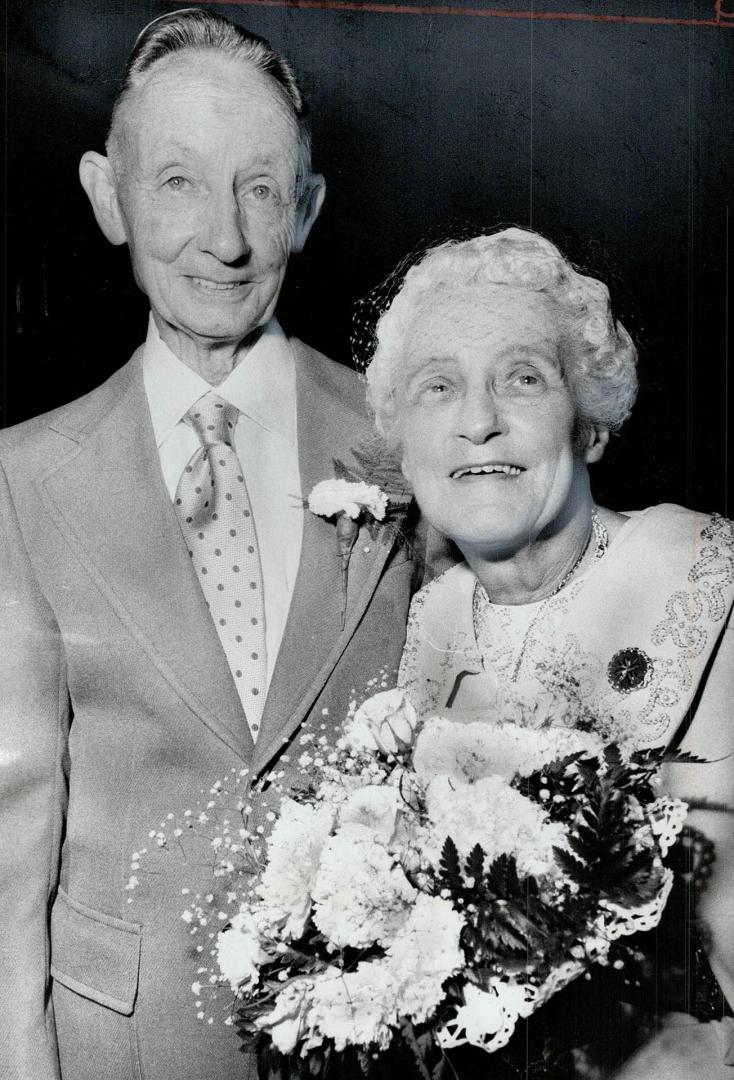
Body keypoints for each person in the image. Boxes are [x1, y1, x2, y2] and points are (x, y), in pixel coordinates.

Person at [0, 10, 419, 1080]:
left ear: (308, 208)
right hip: (118, 1043)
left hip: (373, 1039)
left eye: (261, 188)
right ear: (108, 197)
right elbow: (8, 826)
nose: (224, 240)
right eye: (178, 182)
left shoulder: (412, 445)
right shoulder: (20, 478)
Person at [365, 226, 734, 1077]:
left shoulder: (705, 580)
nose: (479, 423)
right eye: (439, 387)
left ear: (592, 423)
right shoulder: (423, 623)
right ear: (405, 446)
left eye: (522, 378)